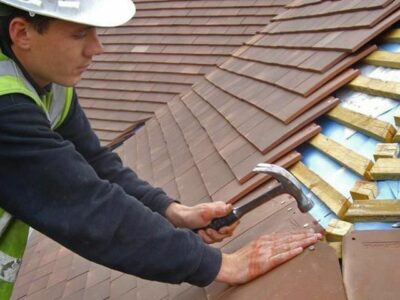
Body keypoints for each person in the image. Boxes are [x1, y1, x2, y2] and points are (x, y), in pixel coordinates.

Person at [0, 0, 321, 299]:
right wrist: (220, 265)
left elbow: (94, 163)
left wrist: (172, 211)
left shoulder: (46, 83)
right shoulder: (6, 108)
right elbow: (86, 205)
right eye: (80, 34)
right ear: (22, 32)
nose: (96, 47)